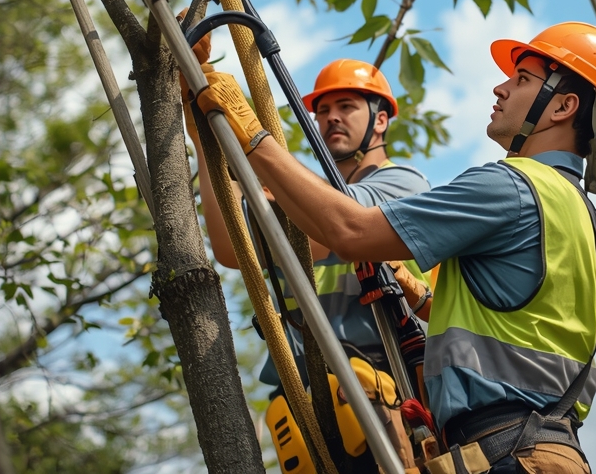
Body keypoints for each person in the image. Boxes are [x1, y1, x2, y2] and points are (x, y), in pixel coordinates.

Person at [190, 22, 596, 474]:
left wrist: (252, 135)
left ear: (563, 106)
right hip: (539, 447)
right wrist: (423, 299)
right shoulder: (583, 216)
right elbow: (523, 325)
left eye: (522, 79)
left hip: (506, 449)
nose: (501, 88)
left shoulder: (510, 186)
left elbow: (349, 229)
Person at [183, 55, 432, 471]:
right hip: (305, 398)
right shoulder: (300, 204)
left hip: (384, 388)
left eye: (346, 106)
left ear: (380, 120)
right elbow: (230, 244)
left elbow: (341, 225)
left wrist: (256, 147)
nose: (331, 117)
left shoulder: (404, 183)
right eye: (323, 110)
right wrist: (204, 132)